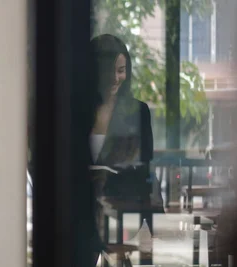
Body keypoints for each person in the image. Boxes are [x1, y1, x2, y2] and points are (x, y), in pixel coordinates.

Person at [88, 34, 155, 265]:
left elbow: (145, 168)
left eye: (121, 70)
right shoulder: (76, 112)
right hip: (82, 214)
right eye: (109, 70)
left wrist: (150, 223)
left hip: (120, 211)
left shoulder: (138, 112)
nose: (116, 78)